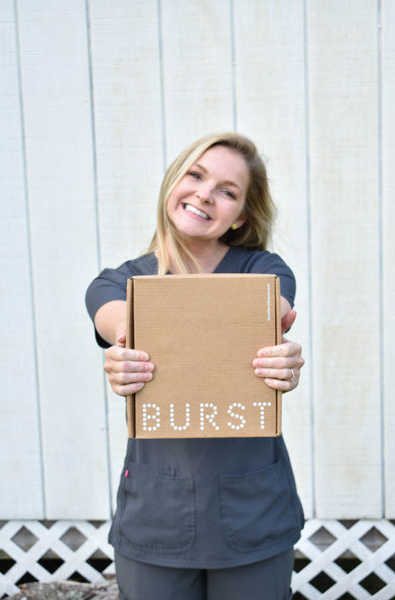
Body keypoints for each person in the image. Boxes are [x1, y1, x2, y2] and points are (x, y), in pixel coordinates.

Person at [85, 132, 305, 600]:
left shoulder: (263, 272)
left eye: (227, 191)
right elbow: (119, 322)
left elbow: (271, 308)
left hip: (254, 512)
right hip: (156, 516)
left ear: (241, 215)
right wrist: (126, 350)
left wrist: (279, 356)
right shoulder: (119, 283)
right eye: (196, 175)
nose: (205, 194)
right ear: (173, 182)